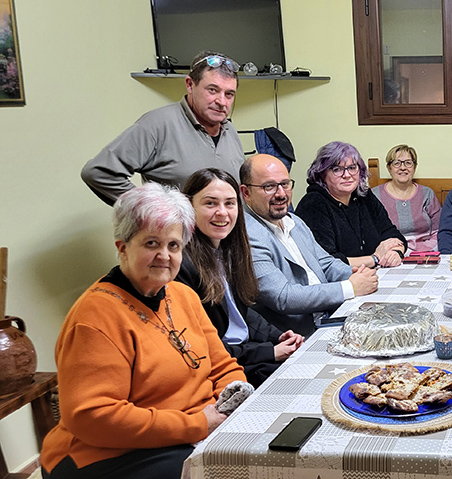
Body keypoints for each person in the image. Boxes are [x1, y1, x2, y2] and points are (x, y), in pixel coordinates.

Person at [40, 183, 246, 479]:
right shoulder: (95, 317)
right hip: (102, 459)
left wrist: (235, 393)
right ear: (123, 247)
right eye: (151, 243)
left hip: (182, 435)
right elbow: (93, 417)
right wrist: (196, 425)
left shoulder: (181, 295)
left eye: (174, 245)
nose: (164, 255)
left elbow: (223, 364)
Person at [177, 168, 304, 388]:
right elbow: (203, 348)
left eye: (229, 203)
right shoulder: (182, 266)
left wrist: (279, 336)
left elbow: (242, 314)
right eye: (210, 203)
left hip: (247, 354)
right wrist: (269, 351)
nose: (222, 212)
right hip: (222, 369)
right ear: (189, 207)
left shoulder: (227, 252)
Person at [81, 52, 244, 205]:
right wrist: (152, 211)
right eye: (212, 90)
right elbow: (98, 173)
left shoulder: (229, 130)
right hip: (179, 235)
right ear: (190, 85)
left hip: (226, 233)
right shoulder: (157, 124)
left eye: (229, 94)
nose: (222, 101)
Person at [241, 154, 378, 337]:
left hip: (331, 316)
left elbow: (326, 263)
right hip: (297, 337)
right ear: (246, 193)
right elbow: (284, 297)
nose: (281, 194)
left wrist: (358, 276)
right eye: (269, 187)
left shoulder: (293, 221)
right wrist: (350, 288)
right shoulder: (247, 236)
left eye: (285, 184)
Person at [295, 141, 407, 268]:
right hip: (337, 282)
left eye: (352, 168)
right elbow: (326, 262)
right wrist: (374, 259)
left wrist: (395, 252)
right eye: (337, 169)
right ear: (322, 174)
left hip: (374, 274)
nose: (347, 175)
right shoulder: (313, 204)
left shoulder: (363, 195)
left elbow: (392, 234)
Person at [373, 144, 442, 253]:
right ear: (389, 168)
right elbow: (371, 234)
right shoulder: (375, 195)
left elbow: (438, 231)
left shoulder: (427, 194)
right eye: (397, 163)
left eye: (408, 163)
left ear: (414, 167)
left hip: (426, 253)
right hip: (391, 254)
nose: (403, 167)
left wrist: (425, 252)